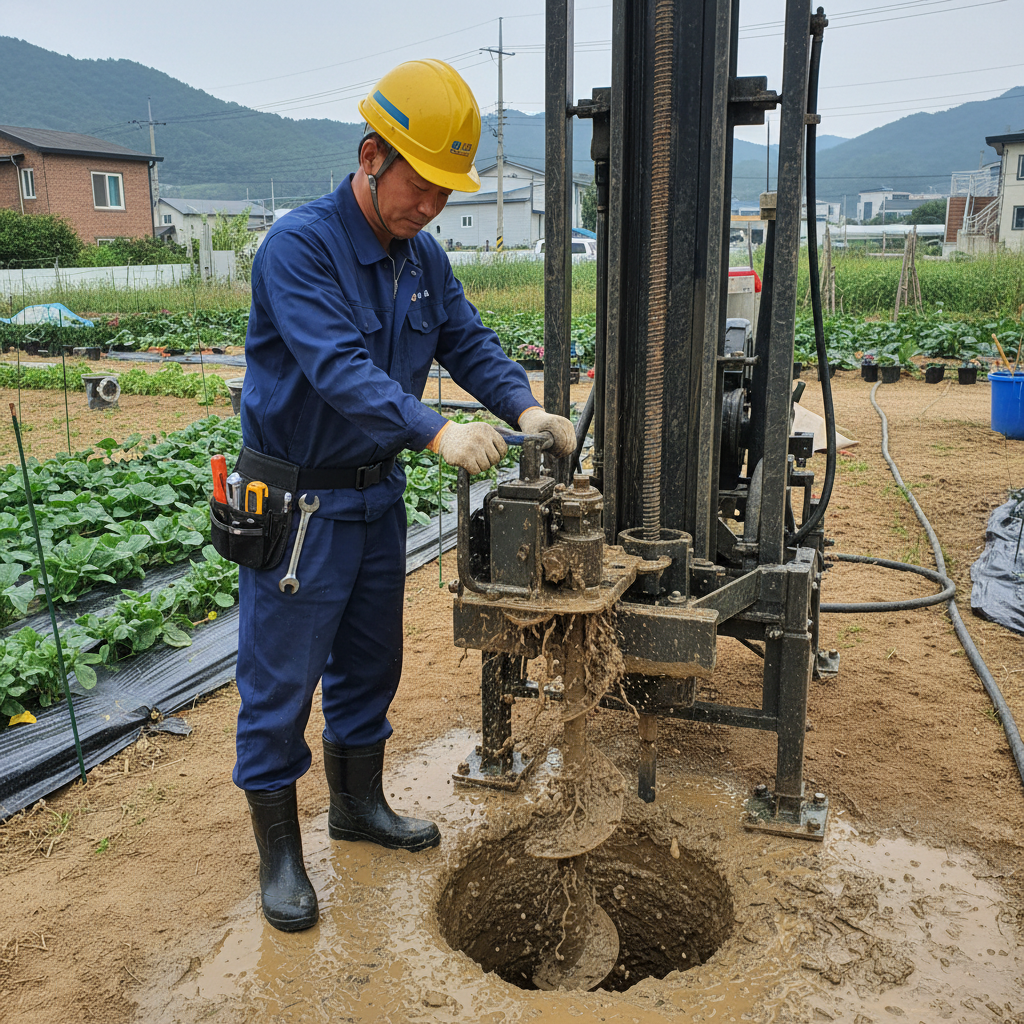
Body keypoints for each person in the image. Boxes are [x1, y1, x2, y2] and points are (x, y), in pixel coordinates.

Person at [233, 58, 576, 932]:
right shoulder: (298, 248)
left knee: (369, 668)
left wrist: (528, 409)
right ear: (371, 155)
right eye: (418, 188)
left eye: (441, 196)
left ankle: (358, 808)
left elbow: (465, 338)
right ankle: (279, 859)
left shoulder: (418, 256)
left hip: (373, 499)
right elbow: (339, 370)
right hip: (300, 508)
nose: (427, 209)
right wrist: (436, 431)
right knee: (281, 687)